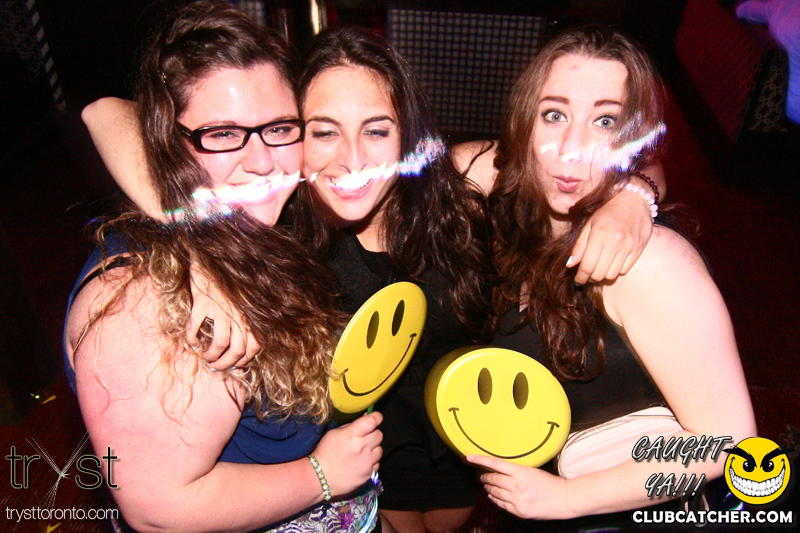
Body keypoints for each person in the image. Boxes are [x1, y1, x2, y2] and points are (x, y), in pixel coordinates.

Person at [82, 26, 661, 533]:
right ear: (292, 134)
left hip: (464, 436)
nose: (353, 160)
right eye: (324, 132)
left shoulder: (456, 183)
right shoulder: (278, 224)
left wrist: (636, 194)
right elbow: (105, 113)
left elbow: (581, 158)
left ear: (406, 135)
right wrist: (197, 244)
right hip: (366, 452)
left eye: (377, 130)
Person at [64, 3, 383, 532]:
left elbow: (107, 113)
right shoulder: (142, 307)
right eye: (222, 134)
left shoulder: (245, 227)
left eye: (279, 128)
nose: (261, 161)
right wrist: (322, 476)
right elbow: (158, 510)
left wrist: (193, 243)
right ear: (167, 141)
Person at [463, 25, 756, 523]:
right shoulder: (517, 211)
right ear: (525, 121)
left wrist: (567, 498)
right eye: (554, 115)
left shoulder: (650, 262)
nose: (571, 148)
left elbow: (728, 443)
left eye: (604, 121)